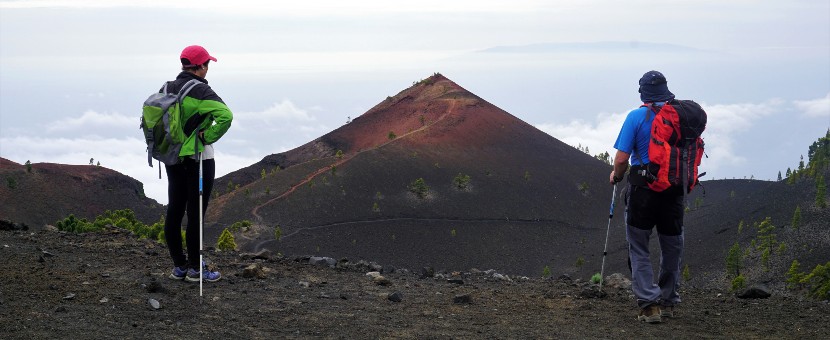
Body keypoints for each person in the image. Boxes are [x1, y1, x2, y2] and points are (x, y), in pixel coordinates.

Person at [609, 70, 684, 324]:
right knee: (672, 246)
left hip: (643, 191)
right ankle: (668, 301)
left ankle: (649, 306)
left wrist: (616, 176)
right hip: (673, 191)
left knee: (639, 247)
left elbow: (621, 159)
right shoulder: (680, 117)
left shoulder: (637, 116)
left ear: (643, 93)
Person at [164, 45, 233, 283]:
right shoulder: (202, 91)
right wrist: (207, 137)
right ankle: (196, 269)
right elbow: (226, 116)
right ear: (201, 66)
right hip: (198, 159)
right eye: (207, 64)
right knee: (195, 213)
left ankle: (179, 267)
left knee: (174, 209)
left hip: (171, 157)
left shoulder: (168, 87)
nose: (207, 69)